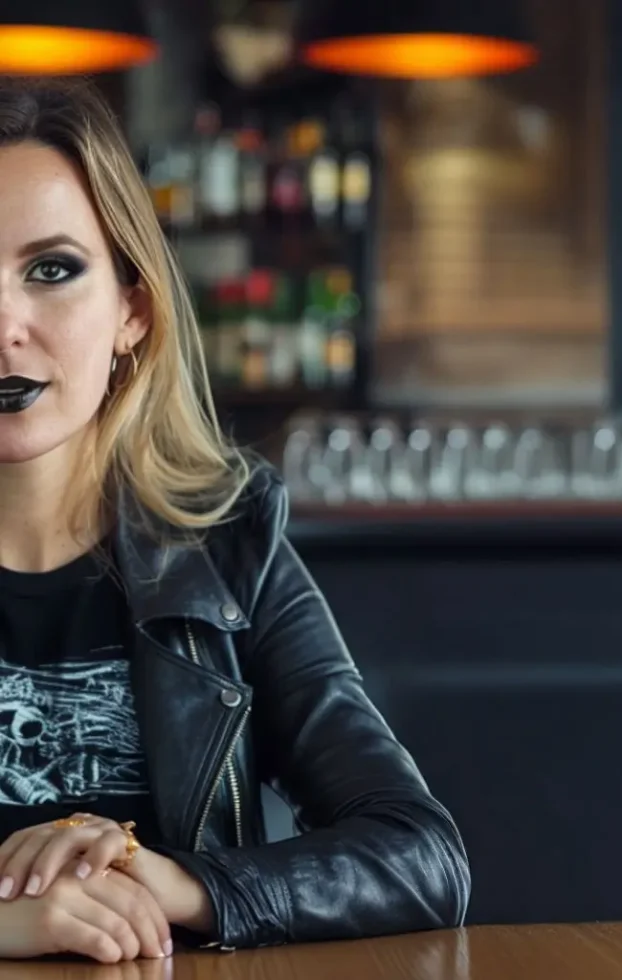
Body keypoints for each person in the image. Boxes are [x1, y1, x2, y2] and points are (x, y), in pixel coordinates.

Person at [0, 77, 469, 964]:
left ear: (133, 310)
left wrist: (190, 886)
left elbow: (422, 856)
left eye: (51, 270)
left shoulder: (225, 545)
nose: (4, 324)